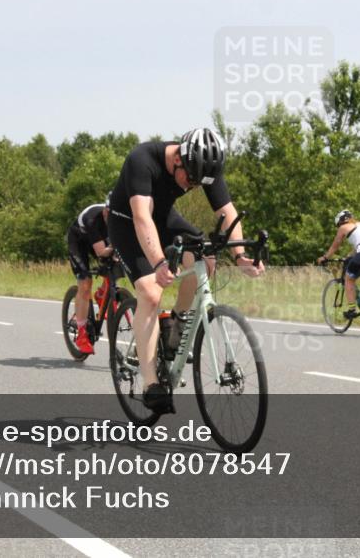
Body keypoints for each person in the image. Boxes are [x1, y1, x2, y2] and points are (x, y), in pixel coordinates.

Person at [107, 127, 264, 414]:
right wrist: (158, 263)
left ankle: (175, 326)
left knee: (207, 259)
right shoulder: (142, 159)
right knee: (151, 293)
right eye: (190, 179)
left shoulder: (204, 168)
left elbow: (227, 212)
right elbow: (142, 218)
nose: (192, 185)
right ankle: (151, 384)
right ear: (178, 157)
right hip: (126, 223)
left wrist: (240, 255)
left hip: (163, 218)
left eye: (198, 182)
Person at [66, 199, 113, 356]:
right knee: (85, 284)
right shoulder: (93, 219)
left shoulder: (120, 219)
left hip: (98, 240)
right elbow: (101, 252)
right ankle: (81, 333)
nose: (110, 216)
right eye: (108, 213)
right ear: (105, 210)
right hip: (78, 242)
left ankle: (102, 294)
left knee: (113, 268)